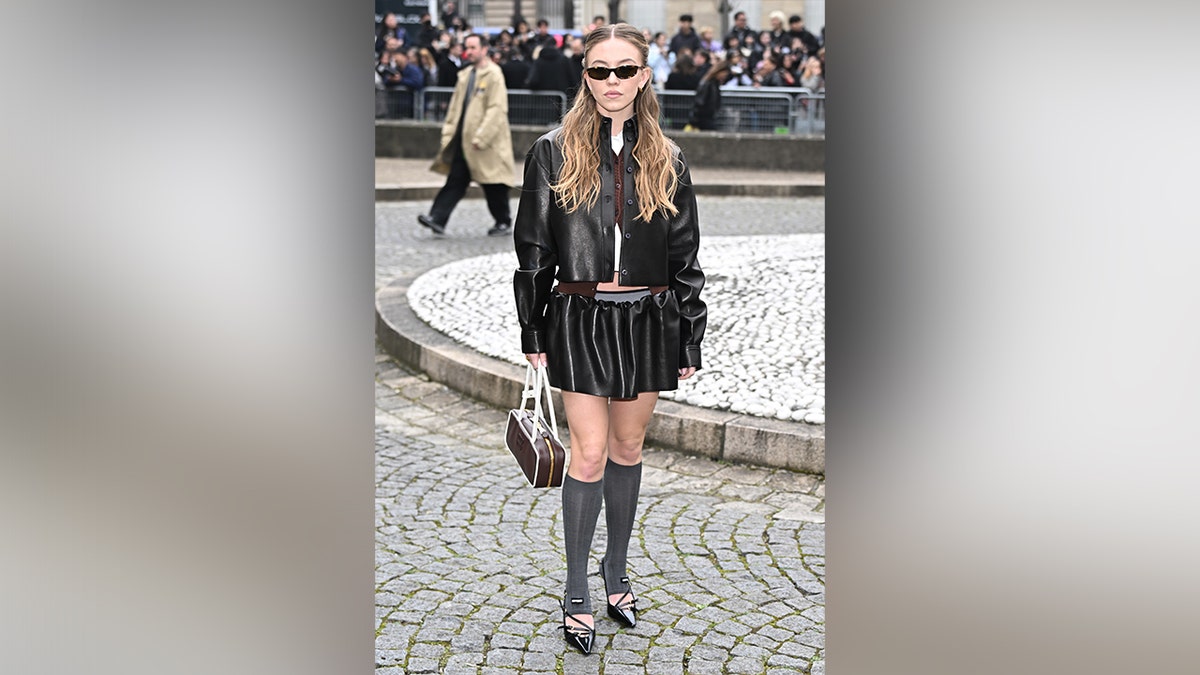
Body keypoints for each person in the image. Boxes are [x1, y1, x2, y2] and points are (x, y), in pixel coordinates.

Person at [513, 23, 706, 656]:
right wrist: (532, 326)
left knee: (628, 446)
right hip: (580, 315)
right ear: (585, 77)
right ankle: (576, 591)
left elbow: (685, 256)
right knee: (588, 453)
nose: (613, 82)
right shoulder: (552, 150)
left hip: (649, 319)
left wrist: (689, 339)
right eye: (600, 71)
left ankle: (615, 572)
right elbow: (534, 246)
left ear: (645, 77)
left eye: (625, 70)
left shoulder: (668, 158)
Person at [419, 33, 515, 237]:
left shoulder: (494, 74)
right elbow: (455, 108)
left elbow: (496, 109)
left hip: (485, 143)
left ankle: (503, 220)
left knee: (493, 183)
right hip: (464, 141)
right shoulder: (465, 75)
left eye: (472, 47)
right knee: (456, 180)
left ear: (484, 49)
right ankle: (437, 218)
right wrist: (448, 133)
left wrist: (482, 137)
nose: (468, 51)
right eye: (467, 47)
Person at [687, 59, 733, 130]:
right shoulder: (708, 84)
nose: (724, 77)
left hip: (708, 117)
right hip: (703, 118)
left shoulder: (714, 84)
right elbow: (699, 102)